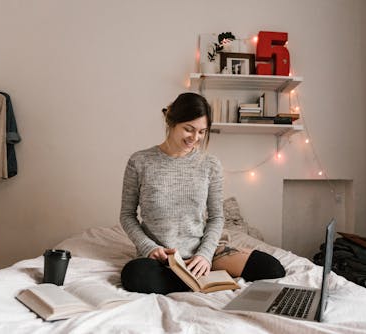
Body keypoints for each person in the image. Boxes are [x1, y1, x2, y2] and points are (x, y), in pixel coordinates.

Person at [120, 92, 285, 294]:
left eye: (201, 132)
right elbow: (127, 215)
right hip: (161, 258)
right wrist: (149, 248)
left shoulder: (210, 165)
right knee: (134, 276)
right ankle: (194, 280)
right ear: (171, 121)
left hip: (203, 251)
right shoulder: (140, 162)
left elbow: (216, 217)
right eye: (188, 129)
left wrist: (205, 255)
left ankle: (190, 275)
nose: (195, 138)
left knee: (272, 268)